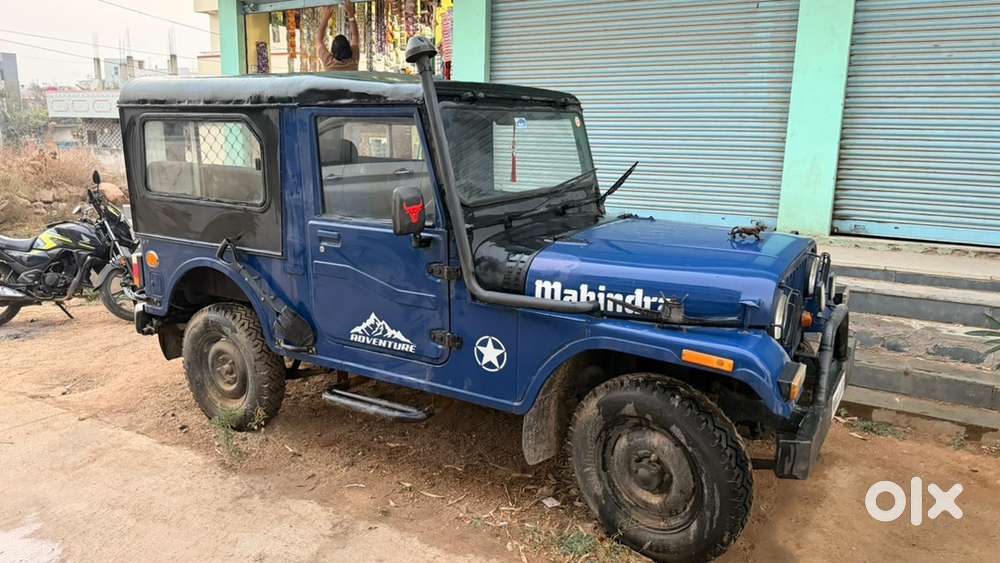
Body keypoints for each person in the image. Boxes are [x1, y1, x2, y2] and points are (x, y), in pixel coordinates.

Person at [316, 3, 360, 71]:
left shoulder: (329, 62)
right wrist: (351, 15)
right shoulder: (353, 61)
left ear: (333, 51)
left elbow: (319, 39)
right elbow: (355, 35)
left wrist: (326, 16)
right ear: (348, 48)